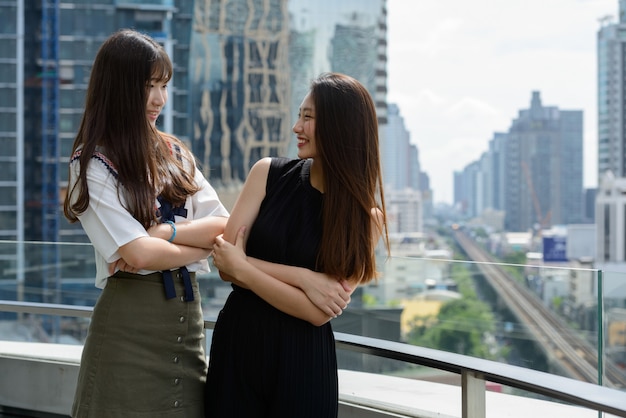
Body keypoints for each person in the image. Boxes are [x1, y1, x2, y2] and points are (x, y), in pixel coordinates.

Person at [63, 29, 229, 417]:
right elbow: (138, 253)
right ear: (118, 87)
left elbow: (224, 226)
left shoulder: (174, 153)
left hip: (187, 327)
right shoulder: (91, 163)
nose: (160, 99)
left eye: (164, 85)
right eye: (148, 85)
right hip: (127, 332)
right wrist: (195, 244)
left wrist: (164, 234)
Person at [205, 72, 389, 418]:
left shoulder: (367, 218)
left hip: (304, 360)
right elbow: (225, 261)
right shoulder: (267, 174)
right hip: (240, 344)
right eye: (299, 115)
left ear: (340, 126)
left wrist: (247, 266)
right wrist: (304, 279)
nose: (296, 127)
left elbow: (317, 312)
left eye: (308, 117)